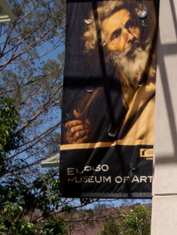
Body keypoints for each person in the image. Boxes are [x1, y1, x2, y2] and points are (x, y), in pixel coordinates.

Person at [64, 0, 156, 146]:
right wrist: (79, 139)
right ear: (105, 54)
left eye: (131, 25)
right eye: (116, 35)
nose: (130, 37)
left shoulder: (166, 75)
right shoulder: (99, 102)